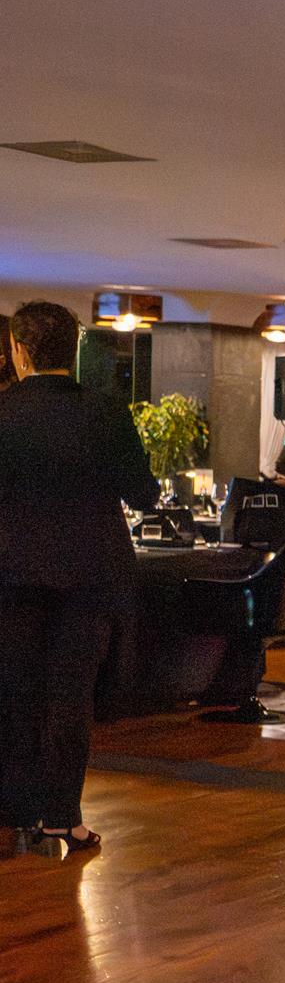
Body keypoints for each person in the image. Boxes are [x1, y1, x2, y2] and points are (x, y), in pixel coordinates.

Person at [0, 300, 158, 848]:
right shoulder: (106, 411)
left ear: (19, 350)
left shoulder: (2, 411)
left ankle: (16, 813)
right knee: (71, 696)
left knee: (16, 693)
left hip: (11, 575)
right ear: (75, 349)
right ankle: (62, 816)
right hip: (91, 576)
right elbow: (144, 494)